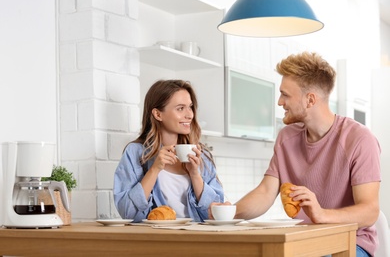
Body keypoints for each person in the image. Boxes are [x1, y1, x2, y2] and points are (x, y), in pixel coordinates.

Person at [210, 52, 381, 257]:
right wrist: (228, 213)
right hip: (305, 241)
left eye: (285, 94)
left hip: (352, 243)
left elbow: (370, 210)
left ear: (310, 99)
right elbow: (265, 192)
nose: (280, 102)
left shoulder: (359, 139)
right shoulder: (286, 138)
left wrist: (321, 214)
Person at [114, 79, 224, 223]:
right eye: (180, 108)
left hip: (197, 239)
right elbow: (127, 212)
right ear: (158, 114)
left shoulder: (201, 155)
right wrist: (154, 169)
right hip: (157, 240)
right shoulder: (135, 153)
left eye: (190, 107)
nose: (190, 115)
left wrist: (195, 174)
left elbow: (218, 212)